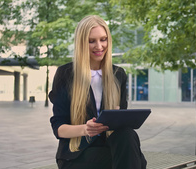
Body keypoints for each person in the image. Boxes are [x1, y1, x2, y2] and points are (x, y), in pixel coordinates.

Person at [49, 15, 147, 169]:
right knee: (136, 162)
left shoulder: (118, 74)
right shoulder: (65, 74)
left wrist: (117, 118)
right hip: (77, 154)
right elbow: (58, 128)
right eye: (91, 41)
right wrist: (85, 129)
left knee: (128, 134)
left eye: (103, 39)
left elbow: (121, 128)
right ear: (81, 43)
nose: (99, 46)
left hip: (110, 148)